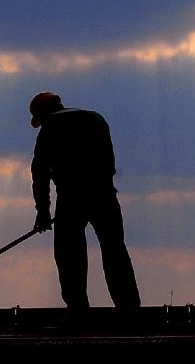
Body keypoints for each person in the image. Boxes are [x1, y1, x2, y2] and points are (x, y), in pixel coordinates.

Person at [29, 92, 140, 311]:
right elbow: (110, 162)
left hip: (71, 198)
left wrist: (43, 211)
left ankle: (79, 312)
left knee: (69, 255)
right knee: (114, 251)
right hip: (104, 194)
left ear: (43, 114)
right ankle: (129, 310)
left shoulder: (50, 128)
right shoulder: (96, 118)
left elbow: (40, 173)